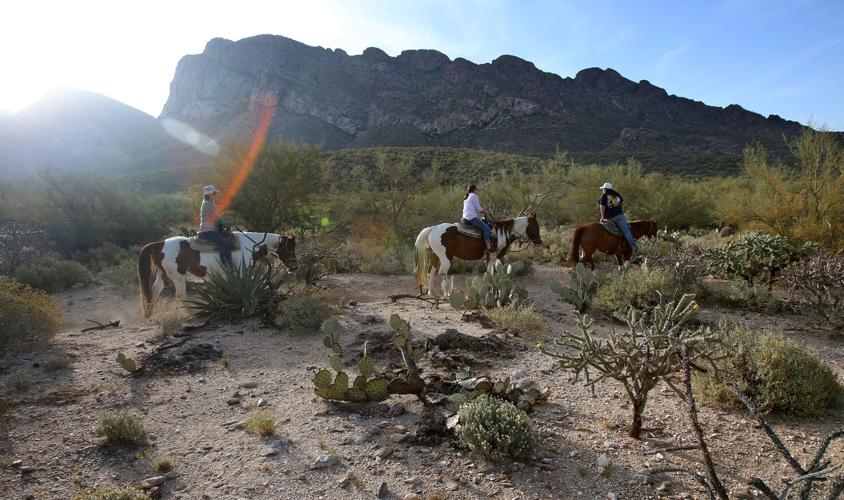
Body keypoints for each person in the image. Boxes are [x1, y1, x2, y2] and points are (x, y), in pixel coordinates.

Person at [198, 185, 233, 267]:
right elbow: (216, 218)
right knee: (224, 243)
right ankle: (226, 265)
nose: (215, 195)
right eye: (214, 193)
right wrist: (226, 223)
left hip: (212, 229)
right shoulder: (207, 204)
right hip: (207, 230)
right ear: (209, 195)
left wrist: (224, 223)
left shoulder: (210, 202)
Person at [599, 182, 638, 254]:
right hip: (620, 216)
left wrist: (602, 217)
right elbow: (621, 203)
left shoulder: (604, 196)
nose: (603, 190)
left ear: (605, 189)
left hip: (609, 218)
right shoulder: (617, 194)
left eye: (603, 189)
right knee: (626, 231)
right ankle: (634, 247)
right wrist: (619, 211)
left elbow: (602, 207)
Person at [462, 184, 494, 253]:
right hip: (471, 218)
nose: (477, 191)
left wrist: (482, 212)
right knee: (486, 228)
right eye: (477, 190)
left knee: (481, 225)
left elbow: (474, 209)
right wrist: (486, 212)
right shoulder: (474, 196)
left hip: (464, 217)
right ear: (474, 190)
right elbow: (479, 209)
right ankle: (489, 247)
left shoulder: (467, 197)